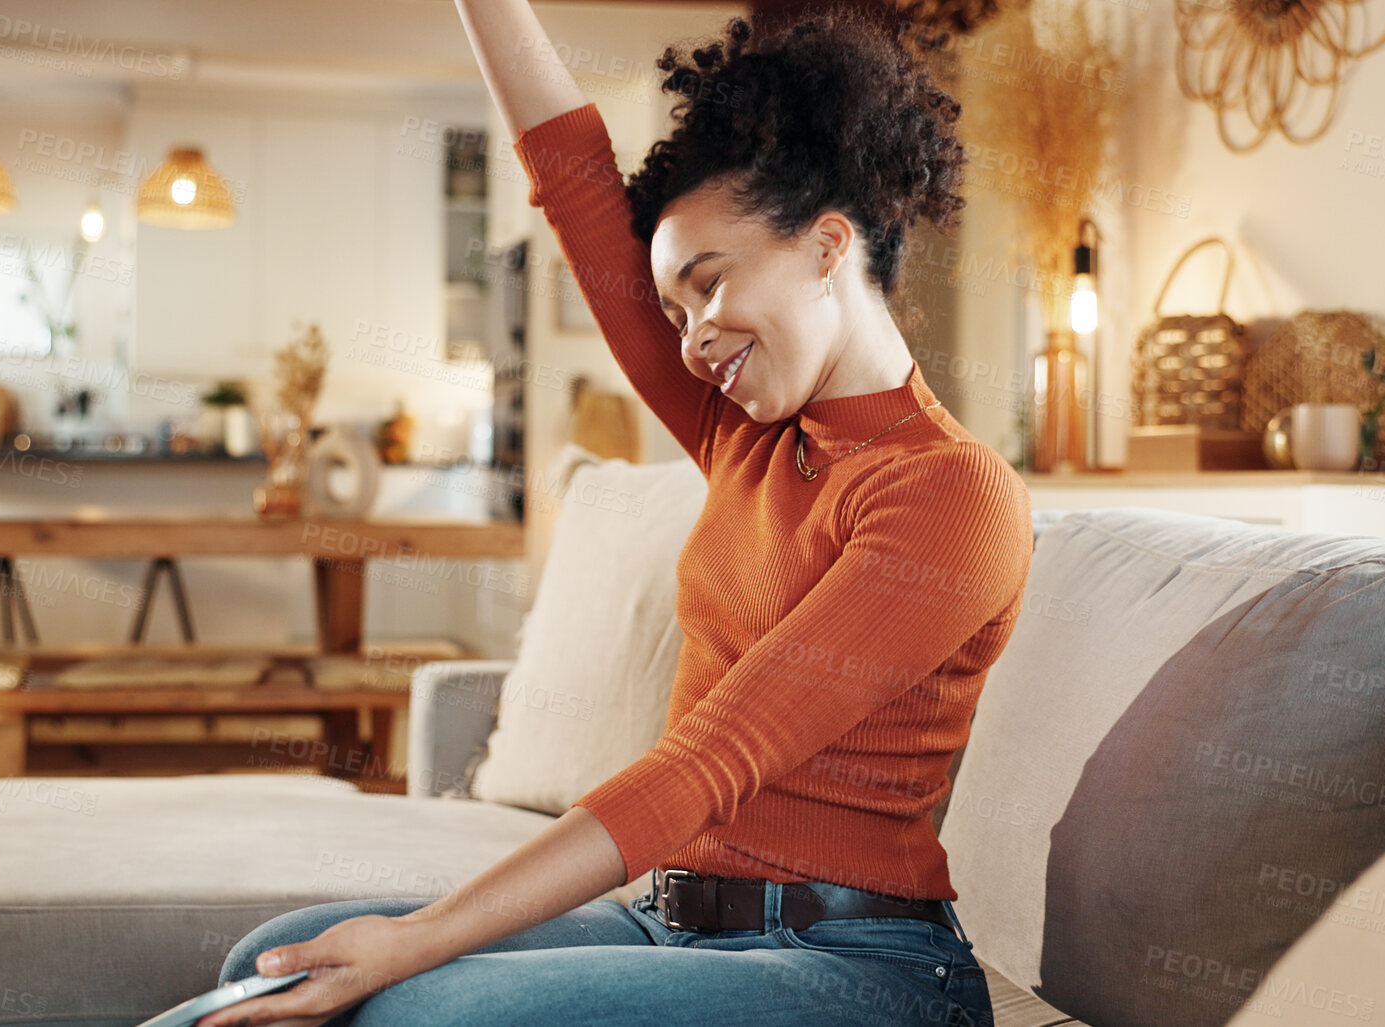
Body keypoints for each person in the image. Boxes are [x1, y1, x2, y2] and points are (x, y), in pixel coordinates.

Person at [199, 2, 1031, 1024]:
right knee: (276, 962)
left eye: (709, 285)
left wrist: (417, 940)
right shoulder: (748, 434)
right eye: (673, 311)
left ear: (826, 248)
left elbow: (709, 764)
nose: (690, 340)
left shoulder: (951, 490)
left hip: (861, 963)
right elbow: (574, 179)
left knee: (421, 1008)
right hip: (673, 921)